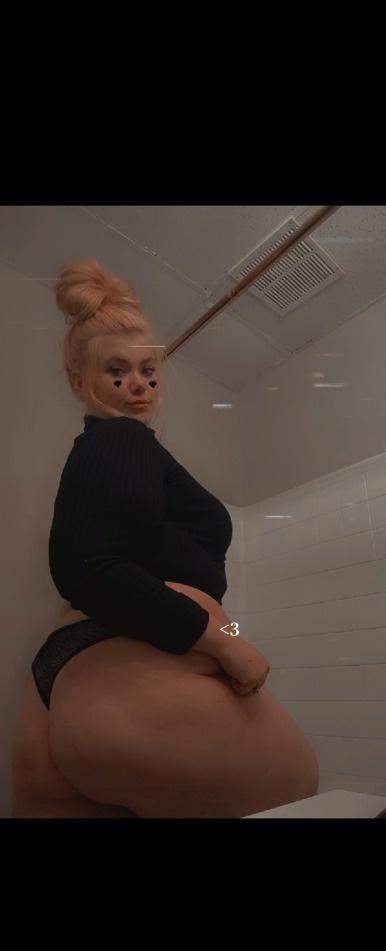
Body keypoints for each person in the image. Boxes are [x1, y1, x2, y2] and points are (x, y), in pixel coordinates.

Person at [11, 259, 319, 817]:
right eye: (117, 371)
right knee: (301, 788)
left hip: (73, 678)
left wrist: (233, 632)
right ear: (79, 380)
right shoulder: (122, 439)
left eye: (148, 371)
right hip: (132, 672)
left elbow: (111, 572)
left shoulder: (110, 449)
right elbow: (90, 568)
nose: (139, 386)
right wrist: (228, 644)